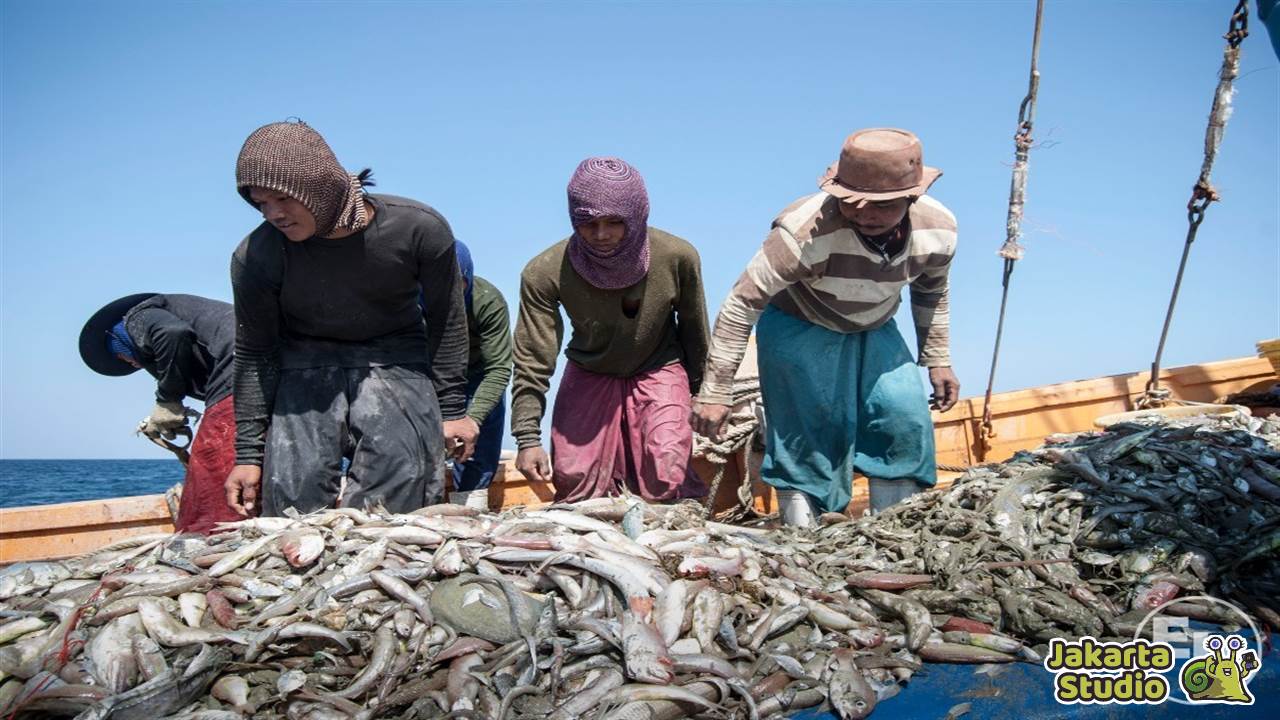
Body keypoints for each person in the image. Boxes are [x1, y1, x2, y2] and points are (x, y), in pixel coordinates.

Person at [692, 128, 960, 526]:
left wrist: (937, 358)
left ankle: (898, 530)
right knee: (808, 434)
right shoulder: (802, 231)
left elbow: (932, 291)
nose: (865, 214)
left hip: (876, 325)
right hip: (801, 325)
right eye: (854, 202)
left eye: (882, 206)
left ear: (911, 197)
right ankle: (808, 536)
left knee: (902, 418)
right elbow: (741, 304)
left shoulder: (939, 230)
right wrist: (716, 390)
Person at [224, 119, 475, 517]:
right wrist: (249, 454)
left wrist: (453, 411)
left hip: (396, 358)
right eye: (260, 203)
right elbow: (255, 353)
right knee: (292, 492)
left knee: (399, 487)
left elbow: (447, 321)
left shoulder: (419, 228)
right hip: (305, 363)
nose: (273, 214)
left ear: (317, 188)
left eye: (282, 199)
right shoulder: (256, 255)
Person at [511, 157, 710, 503]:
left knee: (667, 468)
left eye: (615, 222)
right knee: (574, 480)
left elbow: (696, 333)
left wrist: (706, 396)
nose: (601, 235)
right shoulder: (543, 273)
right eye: (588, 223)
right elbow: (532, 359)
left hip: (659, 365)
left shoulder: (677, 257)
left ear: (637, 216)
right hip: (591, 369)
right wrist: (527, 437)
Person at [79, 293, 240, 533]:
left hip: (241, 367)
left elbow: (172, 332)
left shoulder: (137, 317)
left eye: (122, 357)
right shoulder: (184, 315)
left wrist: (168, 401)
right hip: (274, 364)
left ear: (119, 340)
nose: (131, 364)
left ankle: (208, 535)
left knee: (211, 456)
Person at [434, 240, 513, 509]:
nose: (448, 295)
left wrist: (473, 419)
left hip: (478, 373)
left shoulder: (487, 301)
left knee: (477, 444)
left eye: (457, 285)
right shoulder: (408, 303)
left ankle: (471, 507)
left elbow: (499, 368)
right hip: (427, 373)